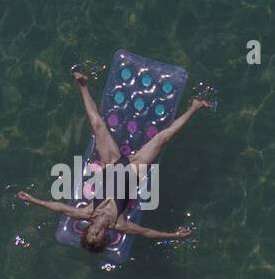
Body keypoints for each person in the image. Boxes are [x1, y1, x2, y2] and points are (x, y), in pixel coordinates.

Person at [18, 69, 210, 252]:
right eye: (99, 234)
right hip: (135, 170)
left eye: (92, 231)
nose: (97, 229)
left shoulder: (87, 213)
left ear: (89, 228)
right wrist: (174, 236)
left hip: (112, 163)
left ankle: (83, 85)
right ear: (106, 235)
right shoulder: (120, 224)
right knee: (162, 138)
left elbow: (59, 207)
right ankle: (195, 106)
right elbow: (147, 233)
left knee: (97, 125)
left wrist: (33, 199)